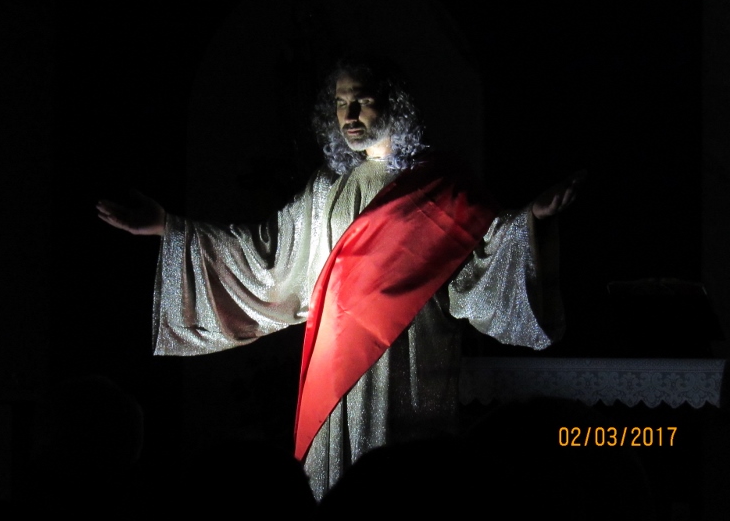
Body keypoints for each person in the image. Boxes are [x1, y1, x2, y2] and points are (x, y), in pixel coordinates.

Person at [97, 54, 581, 501]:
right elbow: (266, 255)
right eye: (339, 103)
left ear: (394, 103)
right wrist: (169, 227)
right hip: (336, 359)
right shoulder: (328, 189)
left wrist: (530, 222)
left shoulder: (443, 185)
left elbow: (483, 259)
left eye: (361, 101)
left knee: (404, 481)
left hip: (409, 355)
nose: (348, 114)